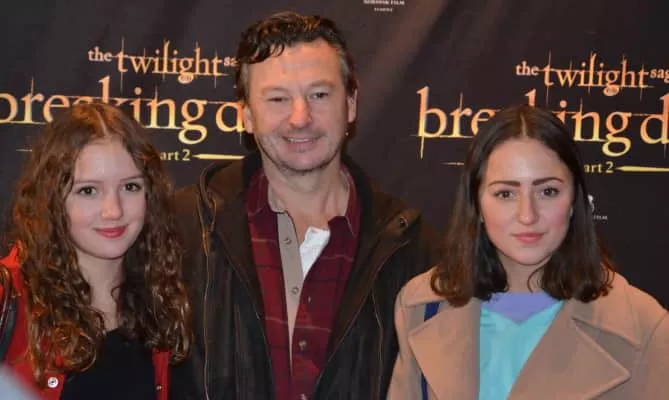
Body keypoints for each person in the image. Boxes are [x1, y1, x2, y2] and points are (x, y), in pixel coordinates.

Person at [170, 11, 439, 400]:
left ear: (351, 104)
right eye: (278, 98)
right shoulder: (182, 230)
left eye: (319, 95)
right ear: (246, 115)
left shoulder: (414, 251)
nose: (301, 118)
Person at [387, 104, 669, 399]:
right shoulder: (422, 307)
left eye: (547, 191)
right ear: (477, 204)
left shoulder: (644, 329)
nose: (527, 215)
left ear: (574, 200)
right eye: (505, 193)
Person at [0, 103, 191, 400]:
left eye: (130, 187)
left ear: (150, 194)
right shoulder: (9, 295)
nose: (113, 211)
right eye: (88, 190)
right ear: (52, 199)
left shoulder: (164, 303)